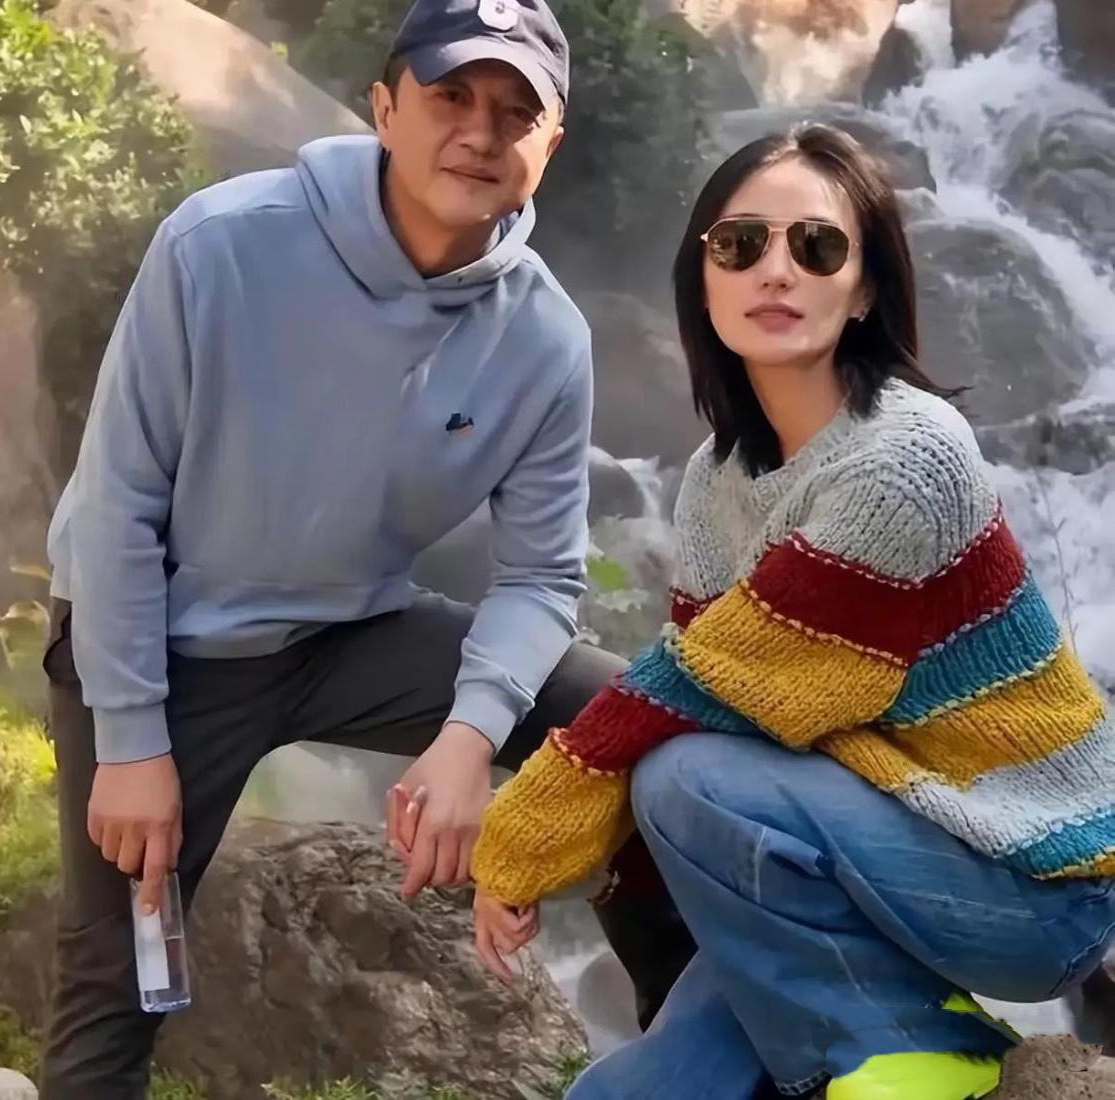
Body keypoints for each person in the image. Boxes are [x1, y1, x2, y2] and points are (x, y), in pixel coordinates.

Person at [36, 0, 694, 1093]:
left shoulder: (545, 337)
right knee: (121, 974)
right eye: (451, 95)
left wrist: (469, 737)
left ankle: (694, 1048)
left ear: (551, 143)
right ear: (385, 109)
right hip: (160, 637)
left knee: (631, 725)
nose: (480, 131)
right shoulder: (220, 243)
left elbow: (541, 575)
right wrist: (132, 740)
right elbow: (117, 503)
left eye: (515, 111)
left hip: (347, 631)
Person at [467, 124, 1115, 1100]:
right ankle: (877, 1031)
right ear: (703, 279)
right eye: (740, 245)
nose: (775, 270)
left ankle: (925, 1049)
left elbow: (692, 694)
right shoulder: (713, 477)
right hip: (869, 848)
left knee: (688, 774)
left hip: (1035, 884)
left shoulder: (908, 459)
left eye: (816, 246)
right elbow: (705, 702)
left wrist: (517, 845)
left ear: (864, 289)